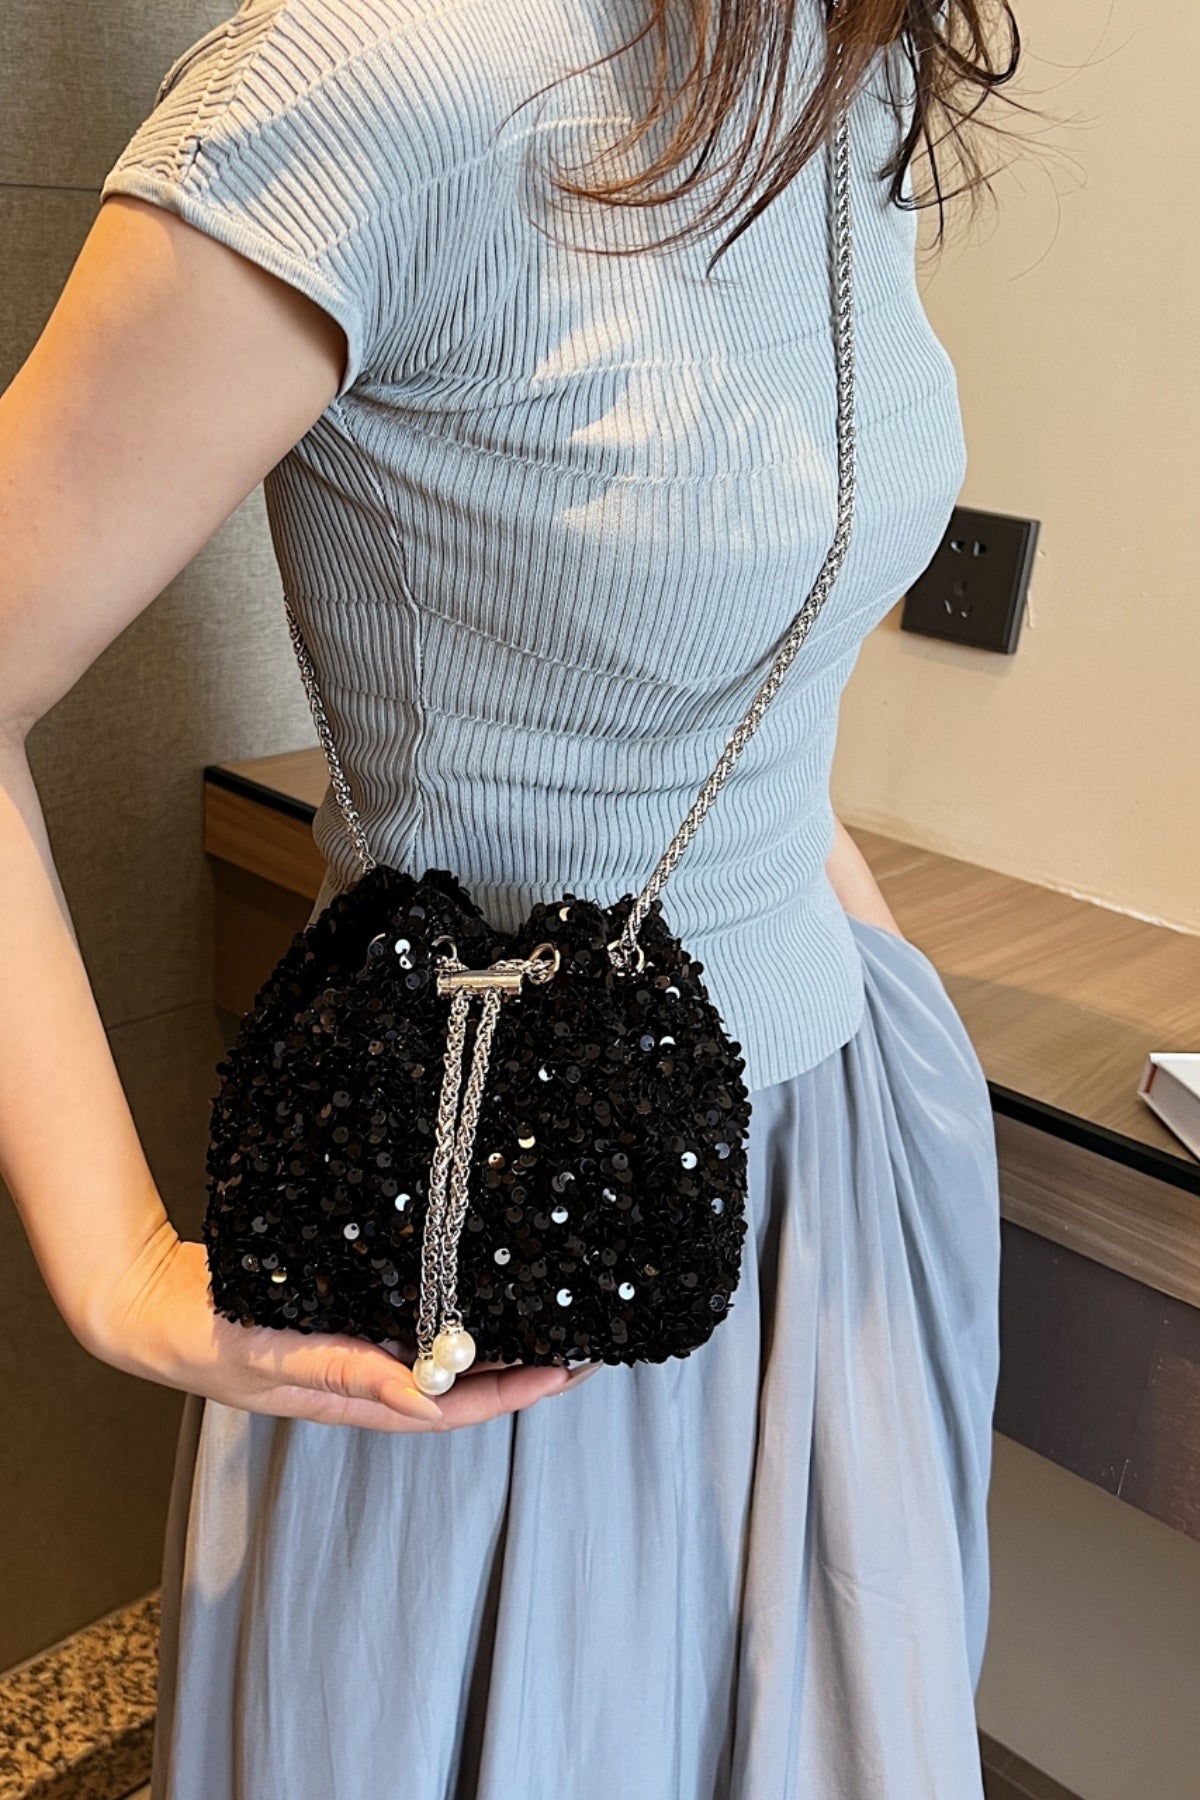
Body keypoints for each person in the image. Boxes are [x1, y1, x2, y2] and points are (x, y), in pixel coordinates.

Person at [0, 0, 1015, 1793]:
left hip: (836, 1155)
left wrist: (827, 927)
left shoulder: (839, 62)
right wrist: (116, 1273)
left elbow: (766, 625)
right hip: (504, 1208)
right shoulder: (374, 89)